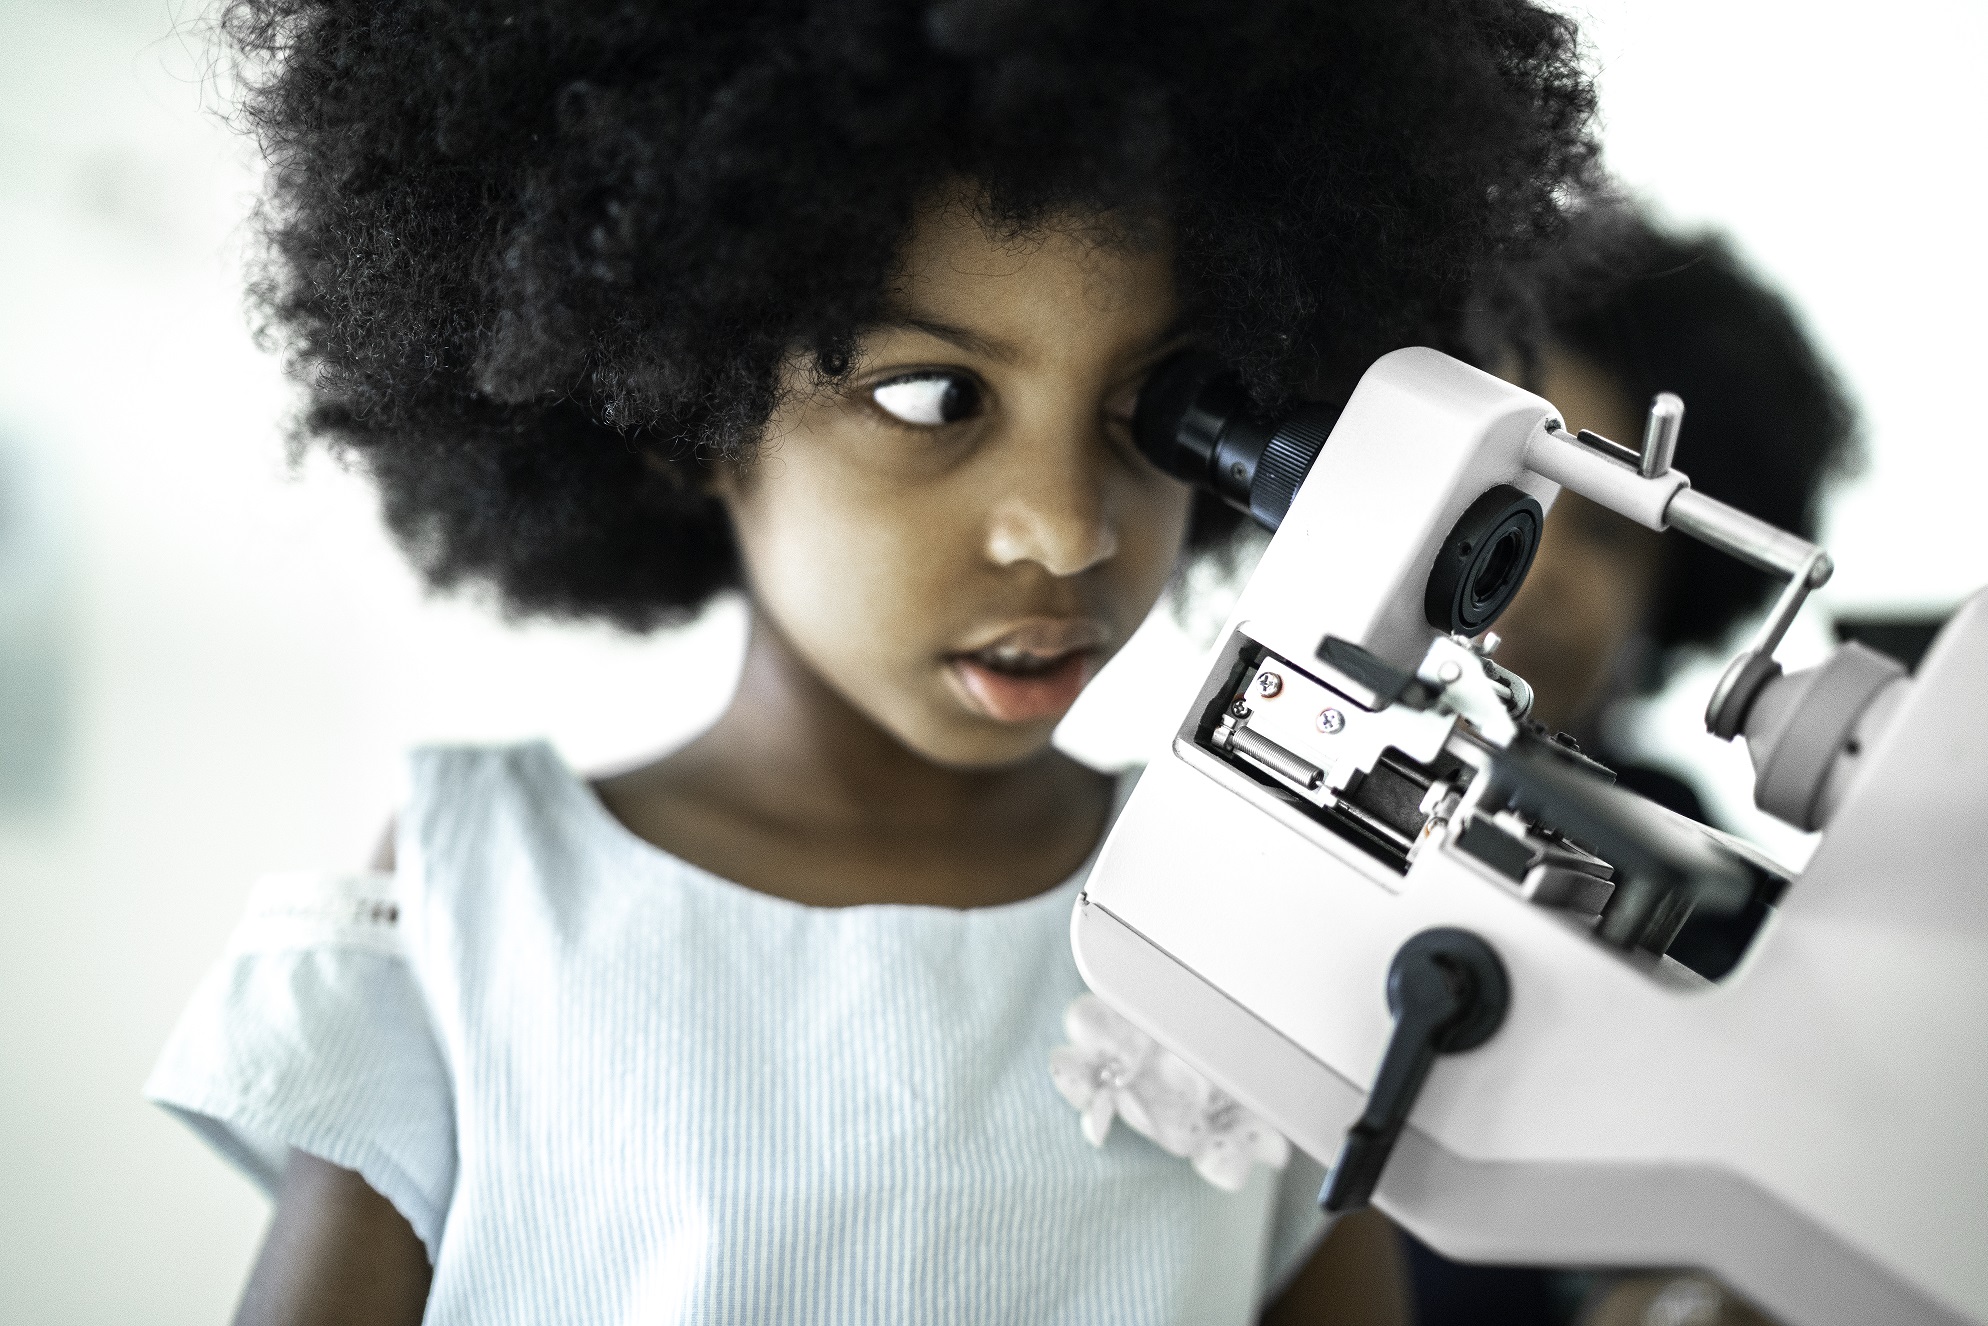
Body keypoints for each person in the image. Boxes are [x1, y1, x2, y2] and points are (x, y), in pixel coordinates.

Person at [145, 2, 1600, 1321]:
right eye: (934, 395)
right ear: (680, 407)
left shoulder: (1251, 921)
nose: (1068, 530)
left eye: (1157, 412)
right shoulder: (475, 891)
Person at [1400, 207, 1863, 1326]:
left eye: (1608, 532)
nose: (1541, 568)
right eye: (1514, 495)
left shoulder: (1701, 891)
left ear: (1673, 595)